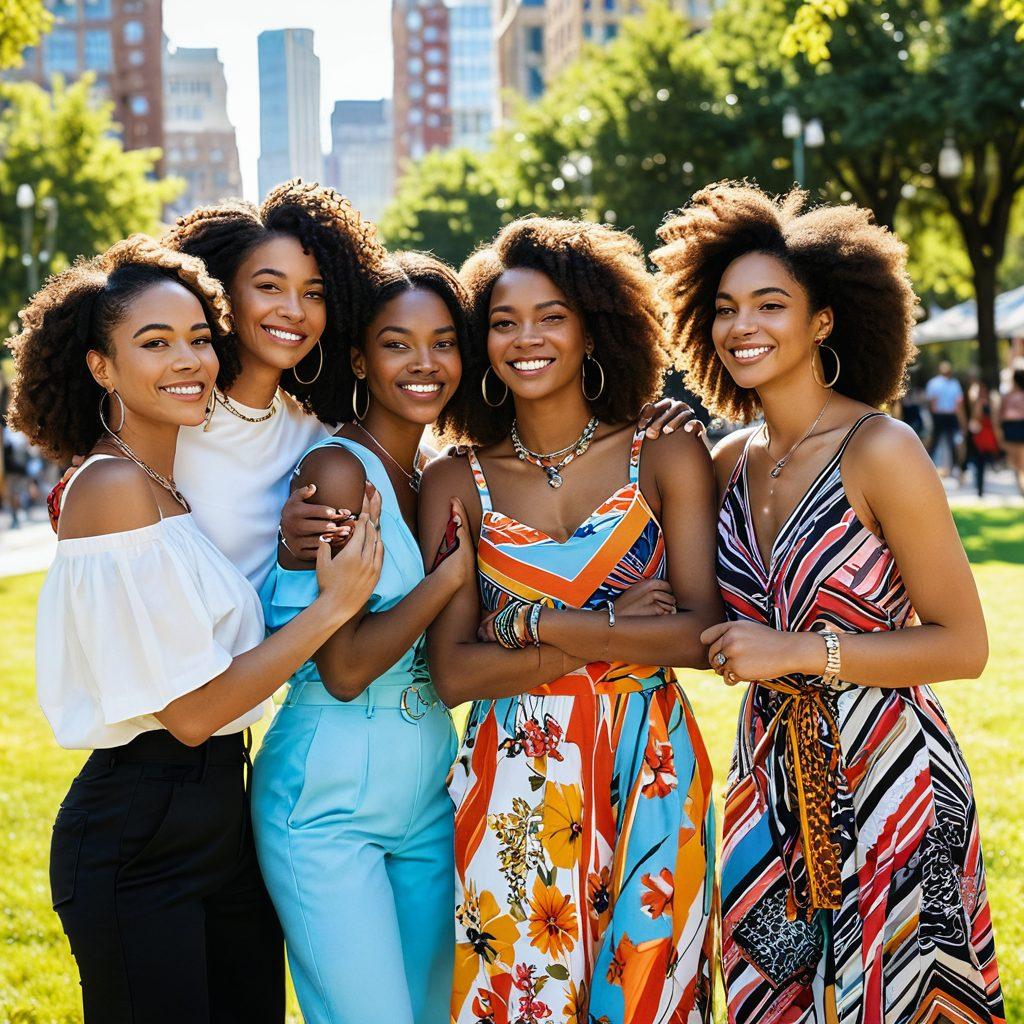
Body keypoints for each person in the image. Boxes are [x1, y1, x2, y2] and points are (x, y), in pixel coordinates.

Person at [6, 236, 382, 1024]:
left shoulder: (163, 485)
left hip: (221, 811)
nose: (188, 361)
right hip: (138, 831)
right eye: (154, 343)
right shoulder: (110, 488)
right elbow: (191, 712)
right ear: (101, 367)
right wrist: (331, 609)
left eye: (198, 339)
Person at [652, 182, 1004, 1024]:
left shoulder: (881, 448)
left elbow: (964, 645)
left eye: (771, 305)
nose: (744, 327)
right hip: (767, 782)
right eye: (727, 308)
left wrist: (805, 652)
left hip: (891, 780)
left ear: (823, 321)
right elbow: (706, 616)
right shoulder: (726, 459)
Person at [421, 218, 721, 1024]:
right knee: (522, 1001)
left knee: (654, 999)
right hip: (515, 778)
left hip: (651, 769)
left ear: (593, 326)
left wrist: (520, 627)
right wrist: (590, 628)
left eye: (551, 316)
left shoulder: (662, 453)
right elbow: (453, 671)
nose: (527, 339)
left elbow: (700, 634)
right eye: (504, 322)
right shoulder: (455, 481)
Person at [251, 252, 477, 1024]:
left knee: (431, 1014)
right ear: (358, 357)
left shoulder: (442, 473)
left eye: (443, 342)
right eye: (396, 343)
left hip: (427, 794)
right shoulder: (339, 472)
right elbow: (343, 668)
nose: (424, 363)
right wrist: (444, 581)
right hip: (327, 798)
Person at [925, 358, 965, 476]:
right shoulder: (951, 384)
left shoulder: (939, 383)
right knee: (944, 442)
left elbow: (932, 402)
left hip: (943, 415)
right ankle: (952, 467)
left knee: (942, 442)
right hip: (945, 415)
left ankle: (934, 466)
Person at [966, 378, 1000, 498]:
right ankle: (979, 489)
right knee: (979, 462)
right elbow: (975, 417)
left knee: (985, 462)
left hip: (988, 435)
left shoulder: (992, 401)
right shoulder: (975, 402)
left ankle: (982, 485)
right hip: (978, 437)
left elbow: (995, 420)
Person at [998, 364, 1024, 495]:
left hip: (1011, 428)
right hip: (1017, 426)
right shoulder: (1008, 395)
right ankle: (1021, 486)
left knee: (1015, 460)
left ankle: (1020, 486)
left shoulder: (1007, 396)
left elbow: (1001, 414)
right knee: (1020, 458)